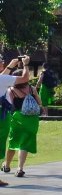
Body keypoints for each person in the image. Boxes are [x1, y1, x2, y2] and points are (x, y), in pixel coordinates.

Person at [3, 67, 47, 178]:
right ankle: (20, 168)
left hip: (18, 118)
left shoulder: (11, 90)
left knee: (13, 142)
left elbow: (8, 105)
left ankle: (7, 165)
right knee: (25, 144)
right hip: (32, 119)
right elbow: (39, 102)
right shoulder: (32, 89)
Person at [0, 57, 27, 187]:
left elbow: (2, 77)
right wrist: (26, 65)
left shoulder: (1, 79)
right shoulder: (2, 79)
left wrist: (11, 66)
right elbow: (24, 79)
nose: (2, 63)